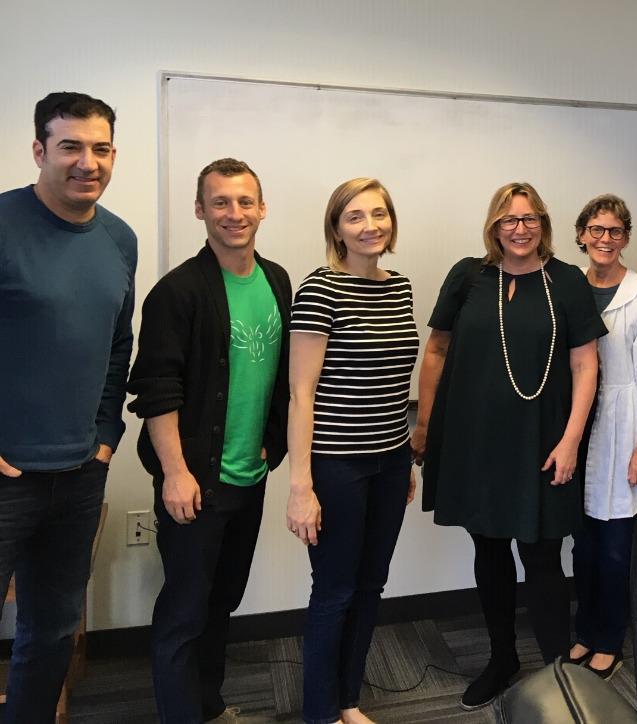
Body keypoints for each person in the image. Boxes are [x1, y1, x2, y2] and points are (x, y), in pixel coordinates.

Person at [413, 183, 604, 710]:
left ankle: (557, 672)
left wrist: (571, 442)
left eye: (529, 218)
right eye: (508, 219)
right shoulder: (469, 276)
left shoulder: (565, 281)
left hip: (543, 442)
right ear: (494, 226)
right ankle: (502, 658)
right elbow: (436, 350)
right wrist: (425, 423)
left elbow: (586, 365)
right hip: (473, 440)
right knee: (489, 548)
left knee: (542, 555)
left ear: (543, 222)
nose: (519, 229)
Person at [126, 159, 290, 722]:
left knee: (222, 603)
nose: (234, 214)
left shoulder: (277, 280)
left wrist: (274, 442)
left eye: (245, 202)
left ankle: (209, 706)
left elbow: (284, 373)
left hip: (250, 476)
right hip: (195, 481)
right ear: (200, 210)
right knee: (184, 613)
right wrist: (174, 472)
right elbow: (156, 389)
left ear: (262, 208)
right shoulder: (177, 292)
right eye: (220, 202)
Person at [0, 92, 137, 721]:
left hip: (81, 474)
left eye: (101, 148)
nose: (89, 162)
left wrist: (105, 436)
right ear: (38, 151)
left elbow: (117, 346)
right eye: (71, 147)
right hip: (6, 478)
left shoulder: (119, 239)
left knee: (51, 632)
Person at [286, 178, 420, 724]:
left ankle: (347, 700)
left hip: (390, 461)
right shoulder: (320, 290)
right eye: (356, 217)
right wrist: (301, 486)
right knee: (335, 590)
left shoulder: (401, 286)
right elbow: (301, 393)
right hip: (337, 466)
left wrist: (405, 459)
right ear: (336, 227)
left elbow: (395, 383)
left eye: (379, 214)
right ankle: (319, 712)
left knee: (371, 585)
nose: (371, 226)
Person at [565, 195, 637, 681]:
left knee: (614, 545)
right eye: (596, 229)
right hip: (573, 426)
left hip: (624, 425)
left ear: (626, 238)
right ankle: (584, 631)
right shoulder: (566, 285)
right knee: (581, 544)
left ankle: (609, 638)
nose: (605, 239)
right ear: (582, 234)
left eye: (614, 231)